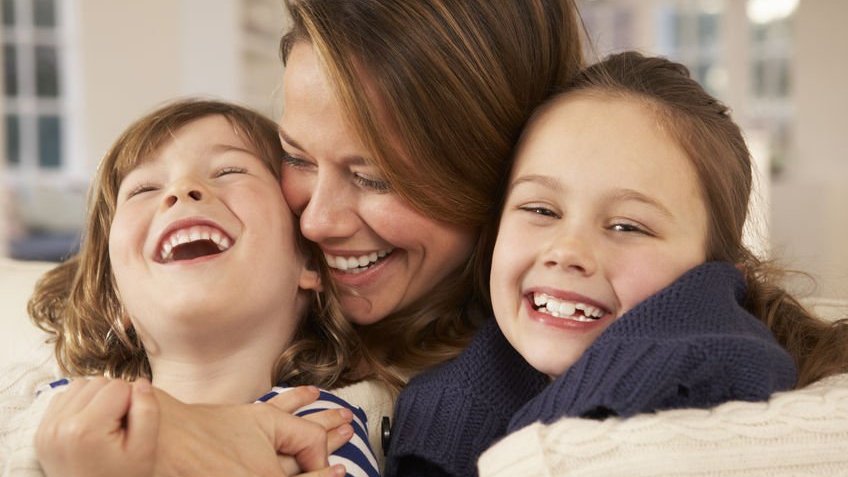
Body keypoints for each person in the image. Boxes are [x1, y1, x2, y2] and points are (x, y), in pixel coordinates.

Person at [385, 51, 848, 476]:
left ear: (715, 282)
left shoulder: (716, 383)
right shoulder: (450, 387)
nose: (567, 250)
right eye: (541, 210)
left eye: (627, 227)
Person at [3, 99, 381, 477]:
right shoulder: (55, 402)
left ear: (310, 261)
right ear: (113, 294)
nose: (183, 189)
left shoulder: (322, 425)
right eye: (144, 188)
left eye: (229, 170)